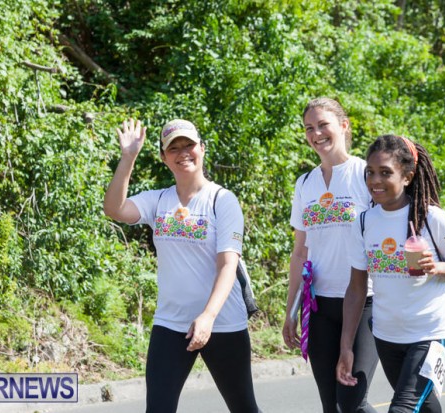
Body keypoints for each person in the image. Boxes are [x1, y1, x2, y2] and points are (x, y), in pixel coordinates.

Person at [103, 118, 260, 413]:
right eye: (173, 148)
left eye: (189, 144)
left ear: (202, 149)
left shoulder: (222, 200)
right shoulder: (158, 200)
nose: (183, 152)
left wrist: (208, 316)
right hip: (171, 323)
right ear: (164, 157)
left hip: (222, 322)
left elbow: (228, 265)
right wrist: (128, 157)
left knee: (244, 408)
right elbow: (114, 209)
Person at [336, 135, 445, 413]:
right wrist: (346, 346)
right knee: (425, 407)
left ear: (408, 177)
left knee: (402, 408)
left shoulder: (430, 217)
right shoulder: (363, 222)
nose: (375, 180)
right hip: (386, 335)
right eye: (370, 172)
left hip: (428, 332)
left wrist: (436, 267)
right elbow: (356, 289)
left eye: (385, 172)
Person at [282, 97, 379, 413]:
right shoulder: (305, 183)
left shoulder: (366, 174)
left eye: (323, 124)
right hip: (320, 306)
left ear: (344, 125)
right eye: (309, 128)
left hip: (365, 303)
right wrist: (291, 310)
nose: (316, 134)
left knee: (351, 402)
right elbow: (300, 252)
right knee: (332, 407)